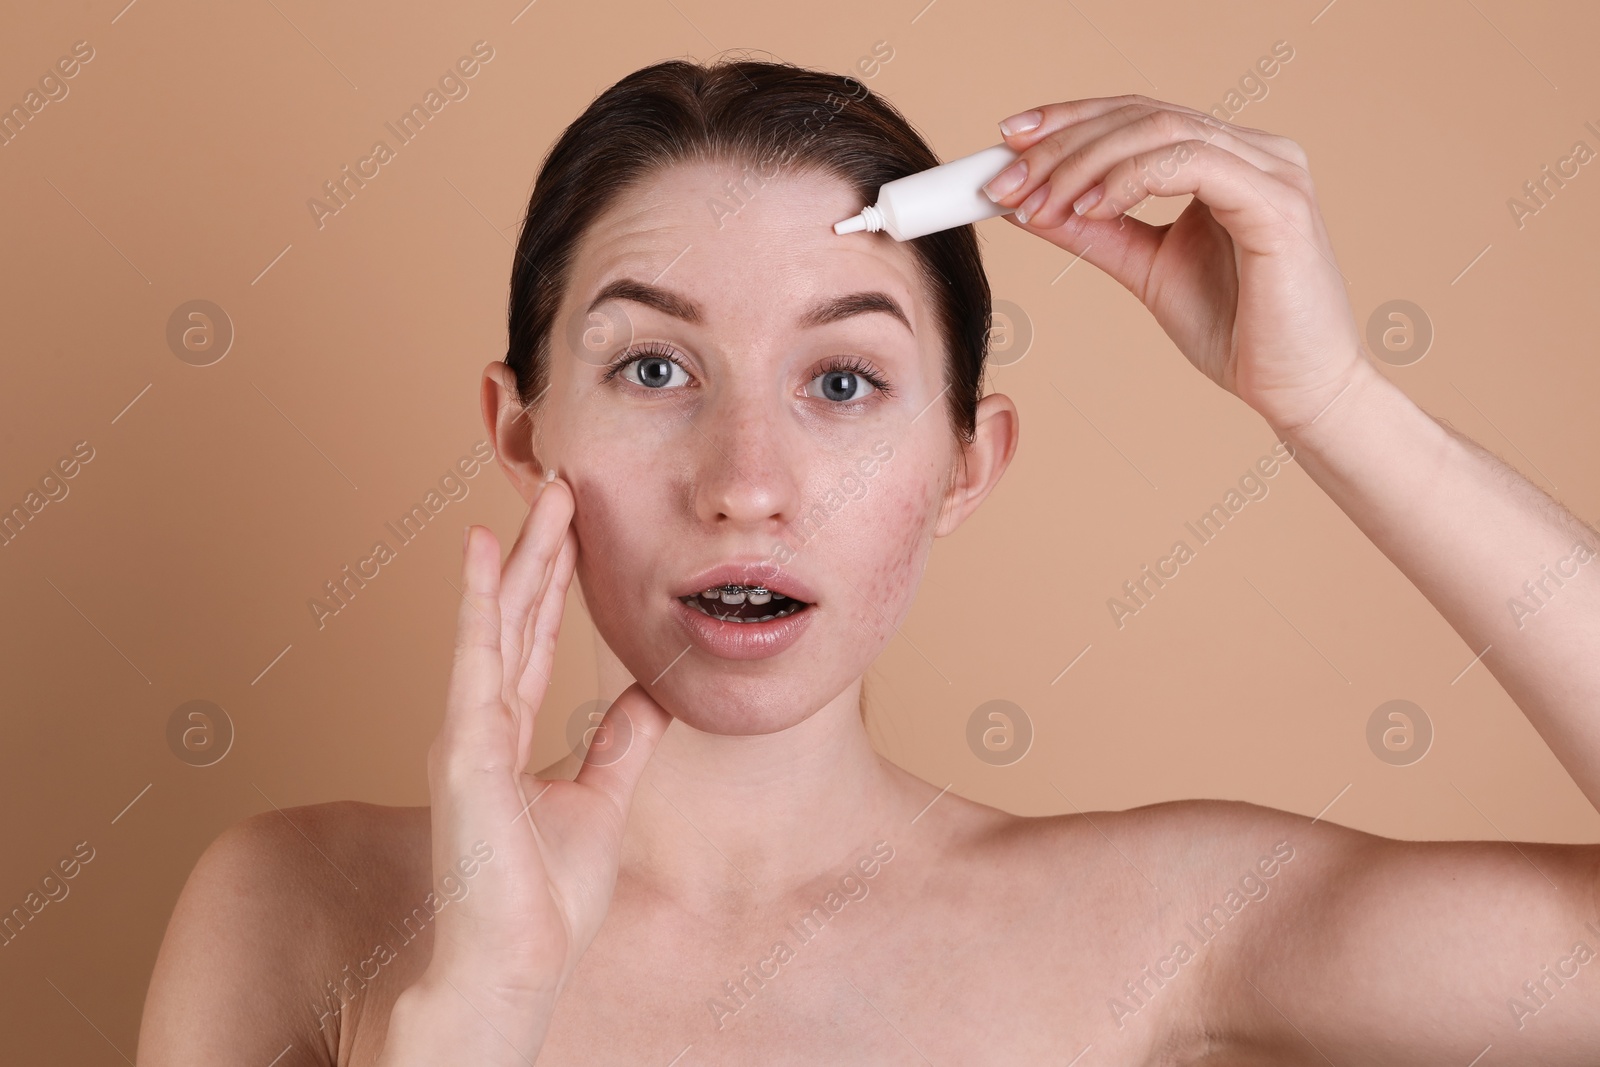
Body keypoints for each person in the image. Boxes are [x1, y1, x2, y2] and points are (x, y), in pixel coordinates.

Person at [136, 58, 1600, 1066]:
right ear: (522, 433)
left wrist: (1333, 400)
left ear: (969, 463)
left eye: (842, 383)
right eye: (653, 368)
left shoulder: (1163, 920)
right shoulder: (297, 905)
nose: (747, 486)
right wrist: (480, 1015)